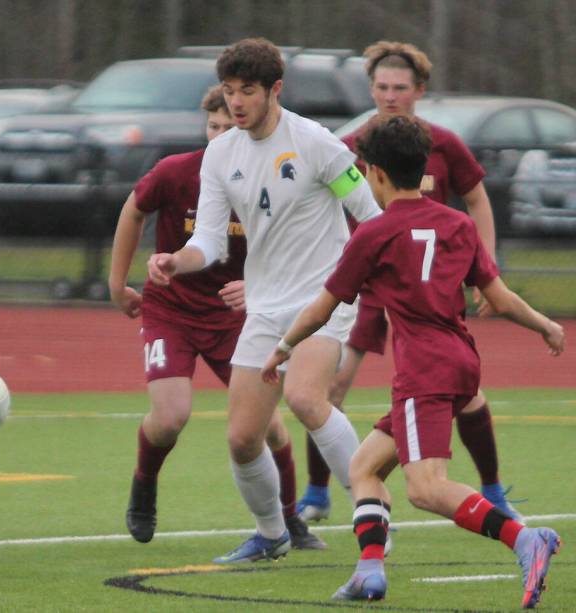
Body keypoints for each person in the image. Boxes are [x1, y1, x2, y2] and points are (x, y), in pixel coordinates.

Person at [261, 115, 564, 607]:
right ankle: (368, 573)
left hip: (424, 370)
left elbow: (324, 305)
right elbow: (501, 299)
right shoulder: (458, 224)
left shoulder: (373, 233)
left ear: (375, 173)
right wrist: (546, 325)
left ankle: (524, 539)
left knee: (425, 488)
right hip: (462, 361)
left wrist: (285, 345)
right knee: (364, 467)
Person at [147, 38, 382, 563]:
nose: (236, 103)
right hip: (265, 306)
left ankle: (371, 506)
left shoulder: (318, 143)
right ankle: (272, 535)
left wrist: (371, 282)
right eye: (229, 91)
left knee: (305, 398)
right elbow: (207, 241)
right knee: (242, 439)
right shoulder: (220, 153)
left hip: (325, 298)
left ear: (275, 89)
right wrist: (174, 261)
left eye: (247, 91)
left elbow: (372, 217)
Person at [297, 40, 522, 524]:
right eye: (381, 87)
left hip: (421, 289)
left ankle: (493, 490)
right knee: (330, 387)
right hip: (367, 284)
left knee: (462, 395)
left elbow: (477, 201)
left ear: (419, 91)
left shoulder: (440, 144)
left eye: (400, 88)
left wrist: (486, 269)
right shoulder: (355, 147)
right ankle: (317, 492)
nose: (391, 96)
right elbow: (326, 209)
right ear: (371, 89)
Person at [110, 85, 323, 550]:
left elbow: (295, 245)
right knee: (169, 418)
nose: (221, 135)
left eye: (230, 126)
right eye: (214, 127)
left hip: (239, 318)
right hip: (173, 311)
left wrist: (260, 287)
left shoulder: (271, 177)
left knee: (268, 427)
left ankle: (290, 520)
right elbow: (133, 212)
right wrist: (117, 283)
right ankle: (144, 484)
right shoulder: (176, 172)